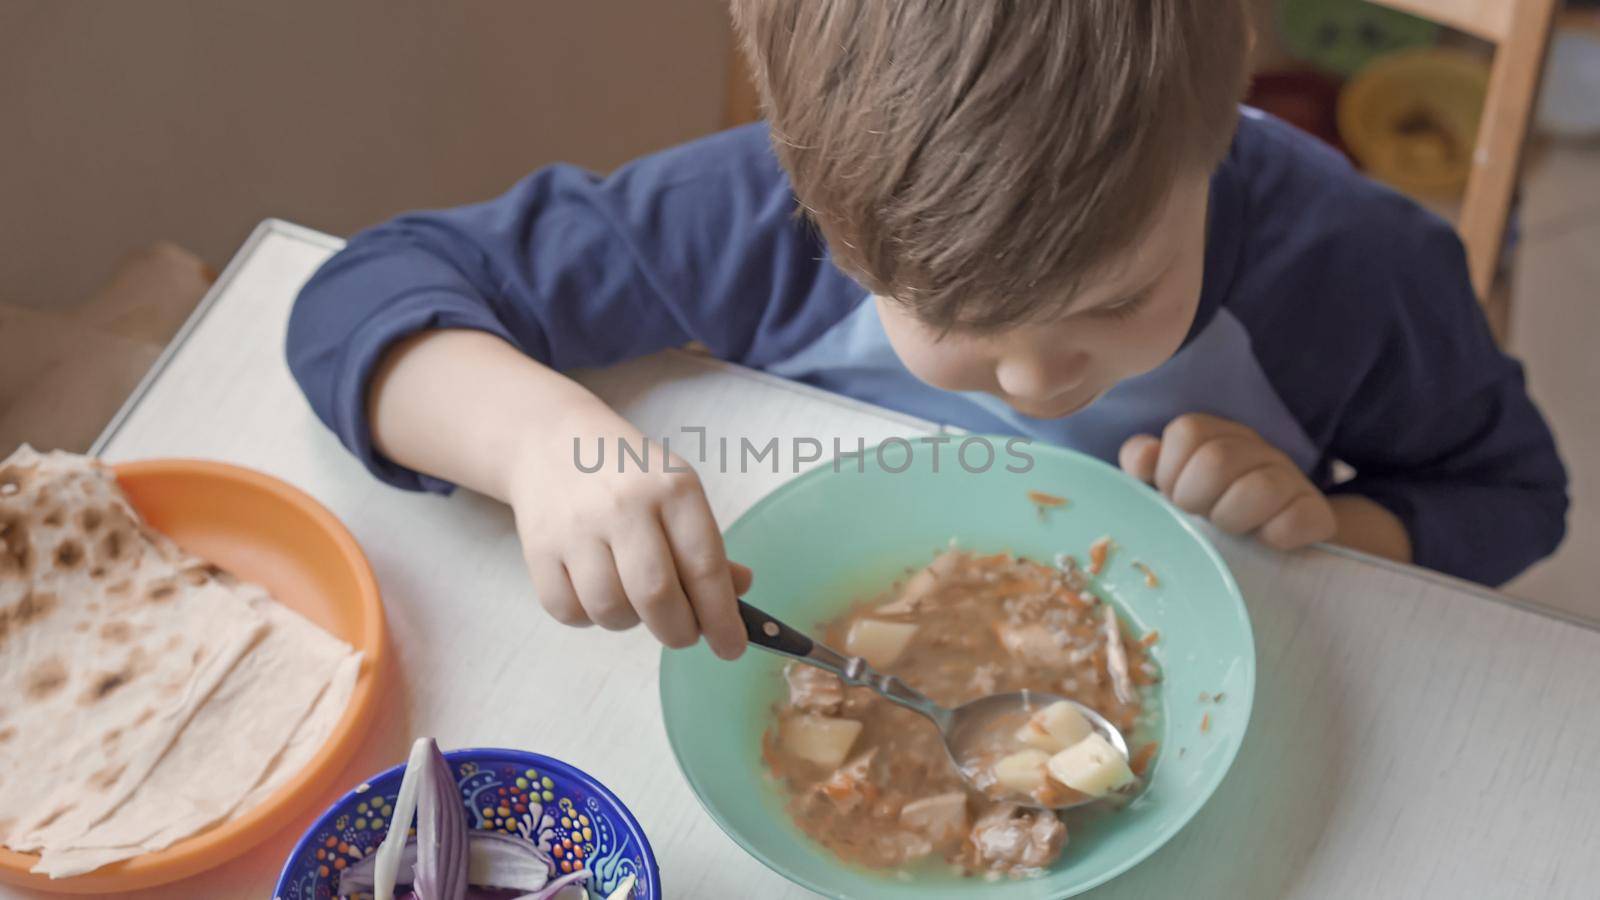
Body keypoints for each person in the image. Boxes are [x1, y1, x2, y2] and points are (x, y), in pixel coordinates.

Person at [286, 1, 1567, 661]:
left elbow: (1512, 496)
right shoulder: (764, 210)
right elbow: (366, 294)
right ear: (818, 205)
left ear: (1218, 120)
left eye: (1116, 299)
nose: (1038, 384)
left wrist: (1328, 528)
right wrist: (544, 445)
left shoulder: (1360, 270)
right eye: (953, 319)